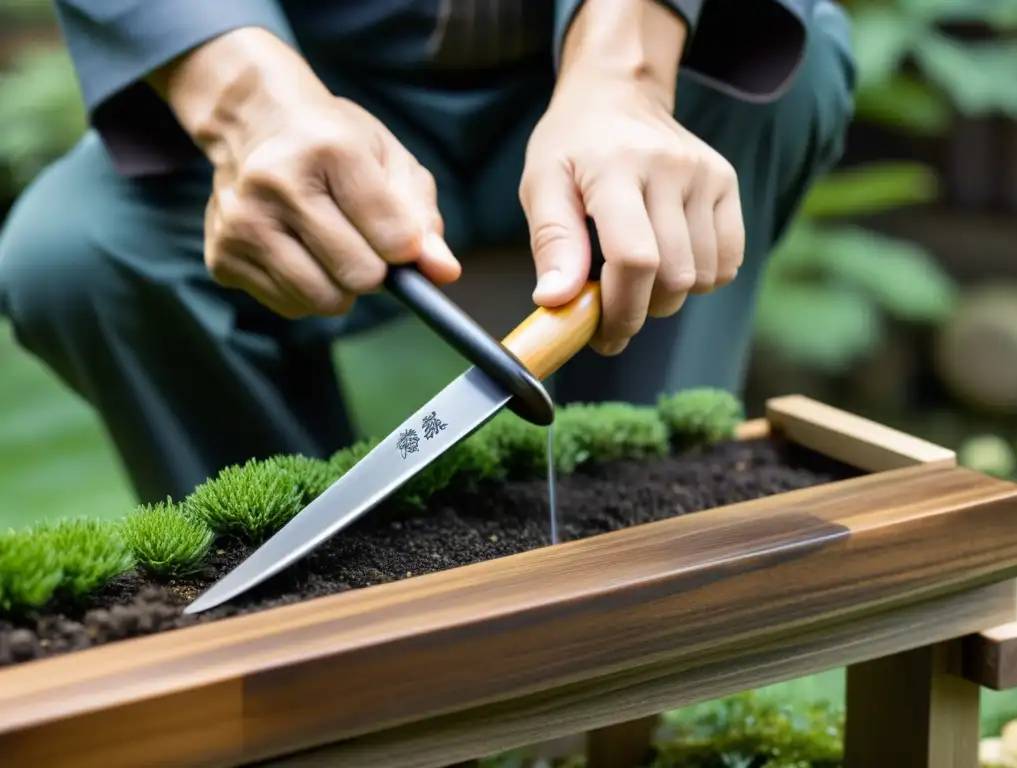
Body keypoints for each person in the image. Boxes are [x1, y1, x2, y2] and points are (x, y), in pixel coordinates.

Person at [0, 0, 856, 505]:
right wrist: (247, 104)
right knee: (71, 251)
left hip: (612, 69)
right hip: (322, 91)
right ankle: (305, 636)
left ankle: (647, 572)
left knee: (792, 62)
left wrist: (625, 75)